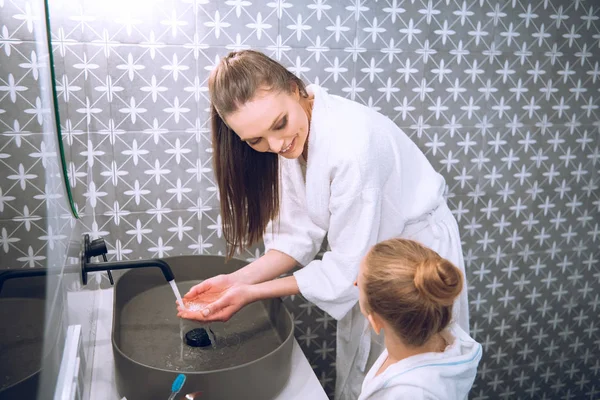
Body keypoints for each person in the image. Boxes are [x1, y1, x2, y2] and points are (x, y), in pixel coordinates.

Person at [176, 49, 470, 400]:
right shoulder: (294, 133)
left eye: (279, 124)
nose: (276, 145)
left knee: (412, 383)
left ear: (295, 87)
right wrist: (236, 280)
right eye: (255, 141)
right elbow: (297, 233)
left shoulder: (352, 149)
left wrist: (250, 293)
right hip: (370, 263)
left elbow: (346, 267)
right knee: (372, 377)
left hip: (414, 268)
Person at [355, 238, 481, 399]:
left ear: (376, 321)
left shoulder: (405, 395)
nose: (356, 284)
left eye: (357, 284)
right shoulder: (447, 339)